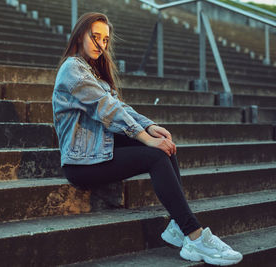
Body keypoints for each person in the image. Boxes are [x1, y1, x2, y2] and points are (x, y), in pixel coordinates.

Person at [51, 12, 243, 266]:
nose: (100, 44)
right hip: (80, 163)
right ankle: (195, 236)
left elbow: (121, 107)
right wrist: (144, 138)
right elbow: (106, 108)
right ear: (79, 36)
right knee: (154, 154)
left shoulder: (92, 71)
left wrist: (150, 128)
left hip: (97, 149)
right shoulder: (72, 69)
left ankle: (178, 225)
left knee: (165, 148)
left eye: (105, 39)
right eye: (94, 37)